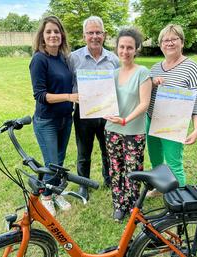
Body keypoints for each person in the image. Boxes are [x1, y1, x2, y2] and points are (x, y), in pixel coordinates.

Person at [146, 24, 197, 196]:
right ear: (160, 44)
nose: (169, 43)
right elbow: (144, 93)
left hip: (174, 122)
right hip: (152, 119)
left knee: (173, 162)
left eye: (174, 39)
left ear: (182, 42)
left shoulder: (191, 67)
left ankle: (179, 199)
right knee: (155, 157)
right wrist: (151, 82)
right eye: (166, 40)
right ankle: (160, 186)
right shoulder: (156, 67)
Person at [29, 16, 79, 216]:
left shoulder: (64, 58)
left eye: (56, 31)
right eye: (48, 31)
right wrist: (69, 96)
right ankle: (47, 197)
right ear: (42, 35)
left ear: (62, 35)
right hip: (46, 120)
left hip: (65, 118)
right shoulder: (39, 59)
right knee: (51, 162)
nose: (53, 35)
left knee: (59, 159)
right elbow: (40, 95)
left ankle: (56, 192)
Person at [104, 28, 152, 221]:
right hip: (112, 130)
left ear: (136, 49)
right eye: (122, 47)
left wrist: (125, 120)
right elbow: (102, 99)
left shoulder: (142, 72)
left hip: (134, 131)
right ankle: (118, 204)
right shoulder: (112, 74)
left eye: (129, 47)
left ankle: (133, 205)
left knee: (133, 170)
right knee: (115, 168)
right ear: (117, 48)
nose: (125, 51)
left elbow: (144, 103)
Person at [70, 16, 119, 201]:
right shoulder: (74, 58)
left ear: (104, 35)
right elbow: (68, 85)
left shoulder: (113, 59)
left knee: (108, 150)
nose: (94, 36)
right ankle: (84, 185)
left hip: (107, 114)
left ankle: (109, 179)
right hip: (84, 114)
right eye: (90, 32)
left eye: (98, 32)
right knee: (83, 152)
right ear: (84, 36)